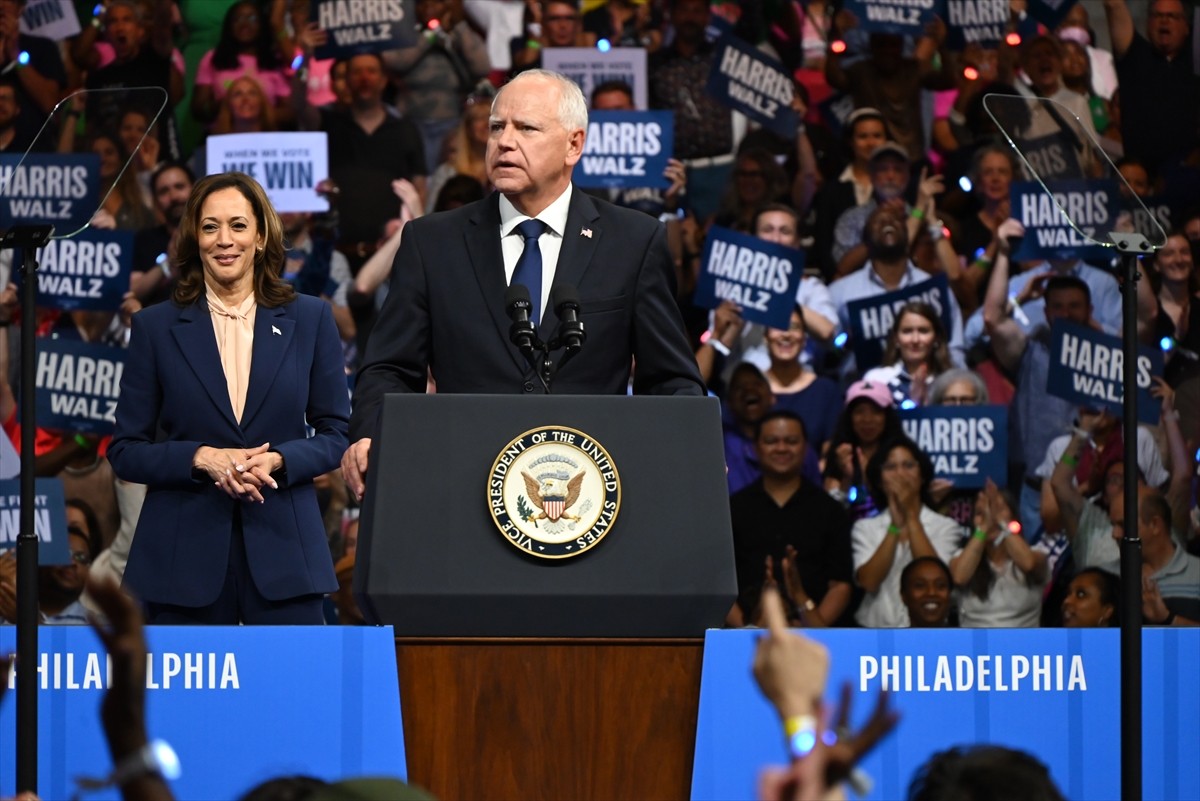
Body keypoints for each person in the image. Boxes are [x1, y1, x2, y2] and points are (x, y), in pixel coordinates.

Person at [342, 69, 704, 499]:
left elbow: (669, 377)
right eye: (497, 127)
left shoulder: (634, 241)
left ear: (574, 144)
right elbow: (390, 367)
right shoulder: (431, 242)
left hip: (588, 492)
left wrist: (692, 444)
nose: (504, 141)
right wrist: (368, 434)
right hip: (461, 485)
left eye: (526, 128)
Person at [108, 172, 350, 624]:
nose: (225, 240)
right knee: (185, 698)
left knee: (289, 694)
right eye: (210, 226)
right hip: (181, 563)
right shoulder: (156, 328)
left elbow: (337, 433)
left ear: (261, 236)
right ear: (194, 238)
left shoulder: (311, 318)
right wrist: (201, 458)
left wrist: (279, 459)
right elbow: (125, 451)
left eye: (238, 225)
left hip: (286, 559)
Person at [729, 411, 853, 627]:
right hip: (745, 636)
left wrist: (813, 630)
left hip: (815, 637)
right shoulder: (733, 509)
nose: (781, 448)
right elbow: (721, 583)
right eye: (771, 441)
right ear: (756, 447)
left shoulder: (830, 510)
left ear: (805, 447)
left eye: (791, 441)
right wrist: (745, 633)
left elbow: (840, 585)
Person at [851, 435, 963, 628]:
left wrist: (911, 517)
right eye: (890, 467)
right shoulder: (865, 528)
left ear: (922, 476)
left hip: (928, 631)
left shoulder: (945, 527)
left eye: (908, 465)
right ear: (879, 481)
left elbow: (936, 575)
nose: (900, 474)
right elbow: (869, 582)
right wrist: (894, 527)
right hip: (875, 632)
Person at [950, 480, 1048, 627]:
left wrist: (1001, 522)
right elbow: (959, 577)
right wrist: (984, 527)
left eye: (999, 509)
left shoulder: (1036, 554)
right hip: (977, 647)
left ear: (1013, 516)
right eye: (980, 513)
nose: (990, 516)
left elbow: (1029, 565)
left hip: (1024, 647)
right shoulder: (960, 557)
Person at [863, 301, 954, 408]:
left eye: (923, 331)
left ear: (936, 338)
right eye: (907, 331)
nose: (915, 340)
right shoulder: (877, 379)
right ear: (896, 339)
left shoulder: (953, 381)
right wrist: (914, 402)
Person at [899, 556, 954, 628]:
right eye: (920, 586)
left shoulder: (968, 638)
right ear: (903, 595)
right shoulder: (889, 638)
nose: (931, 593)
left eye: (940, 586)